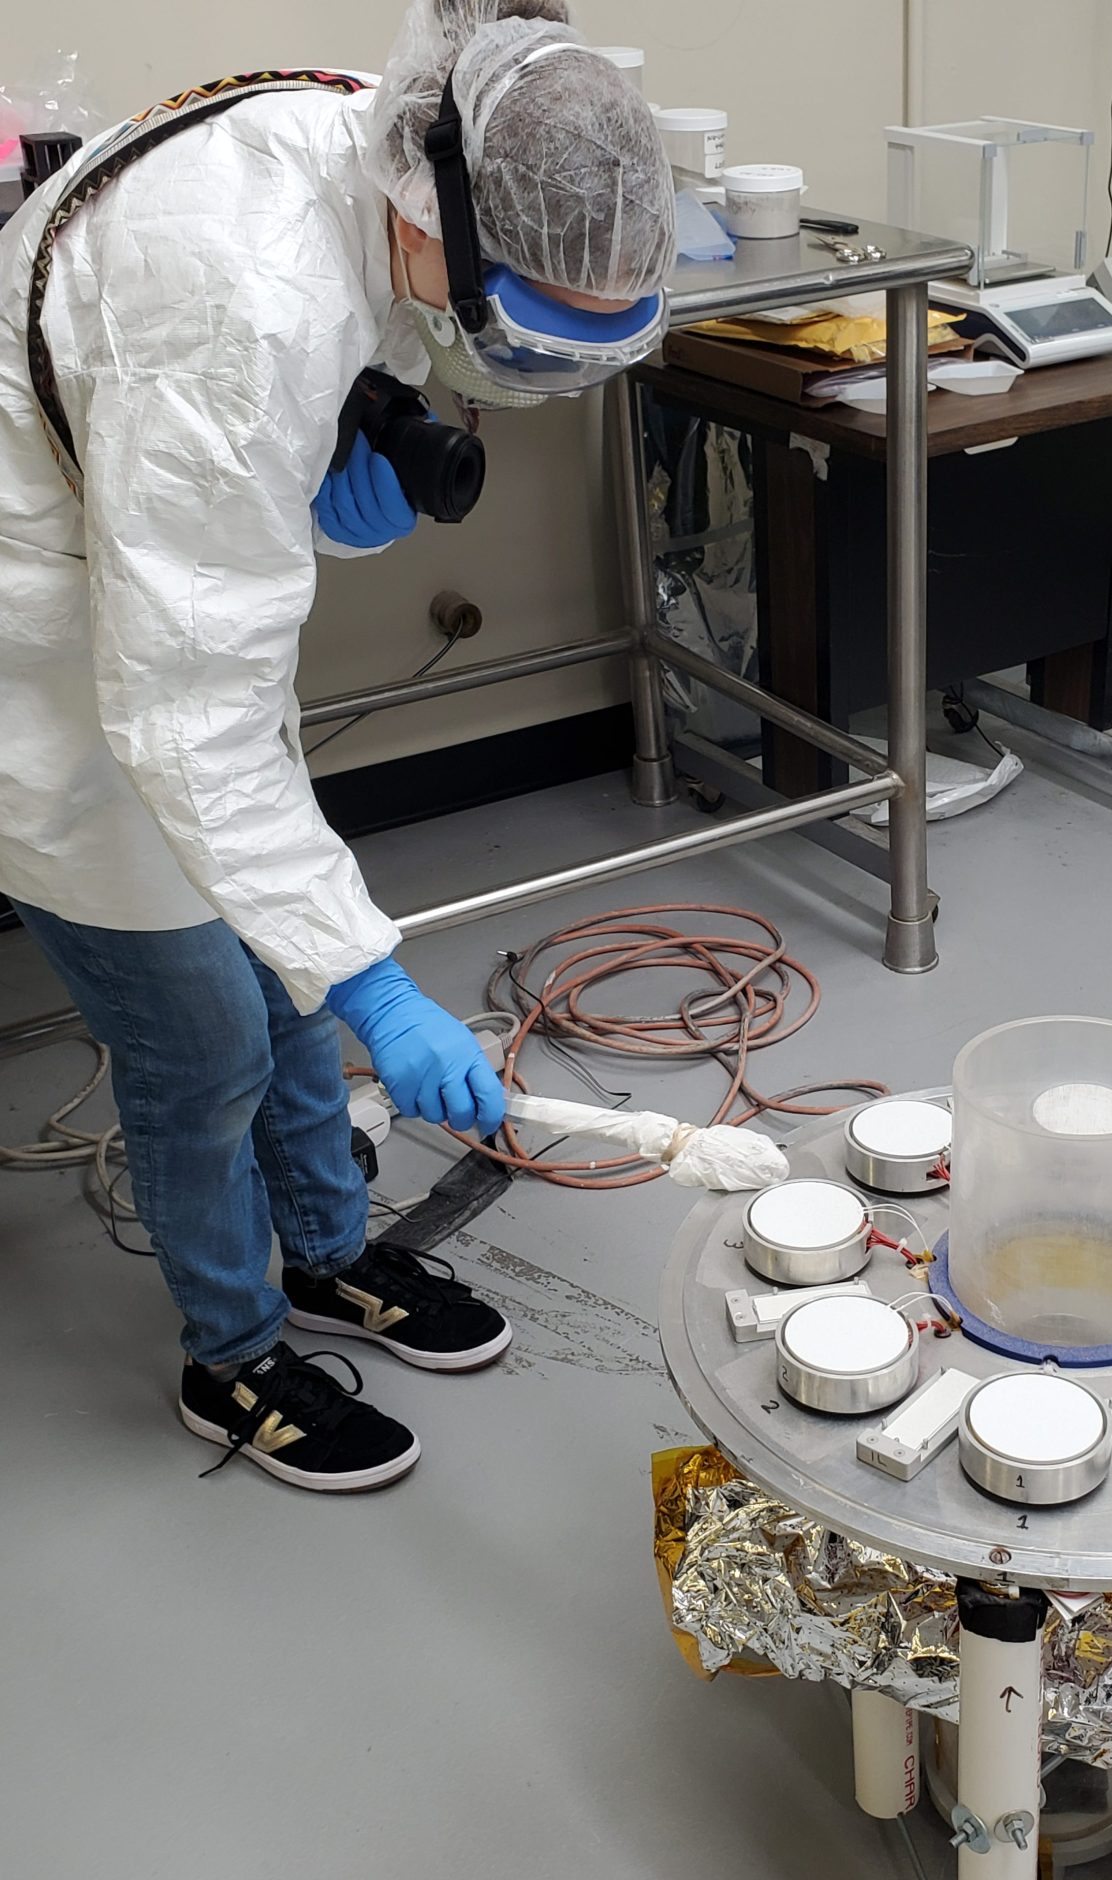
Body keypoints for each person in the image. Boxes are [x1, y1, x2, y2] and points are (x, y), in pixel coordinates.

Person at [0, 1, 676, 1493]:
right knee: (203, 1041)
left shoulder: (394, 136)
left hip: (157, 571)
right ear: (427, 213)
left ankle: (326, 1254)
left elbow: (227, 491)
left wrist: (322, 478)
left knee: (293, 984)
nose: (498, 364)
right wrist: (380, 981)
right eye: (509, 325)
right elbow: (177, 707)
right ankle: (231, 1357)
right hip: (38, 646)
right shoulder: (238, 303)